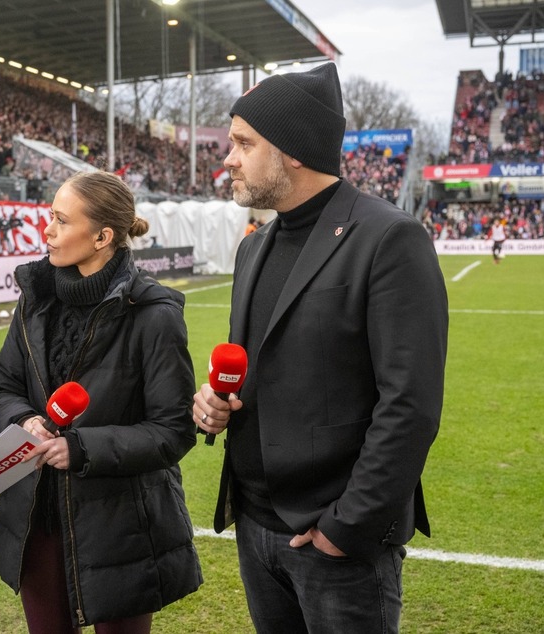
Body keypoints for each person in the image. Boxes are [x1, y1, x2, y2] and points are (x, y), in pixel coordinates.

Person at [192, 63, 448, 634]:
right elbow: (265, 367)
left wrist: (346, 528)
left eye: (243, 143)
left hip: (334, 539)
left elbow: (410, 404)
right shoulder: (253, 249)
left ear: (295, 150)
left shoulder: (387, 238)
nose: (227, 158)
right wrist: (214, 401)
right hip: (255, 525)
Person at [0, 171, 202, 633]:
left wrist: (82, 448)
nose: (47, 231)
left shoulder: (154, 315)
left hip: (120, 527)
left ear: (103, 236)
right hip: (36, 516)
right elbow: (2, 389)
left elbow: (173, 430)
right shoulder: (34, 299)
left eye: (61, 221)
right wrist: (24, 421)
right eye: (50, 218)